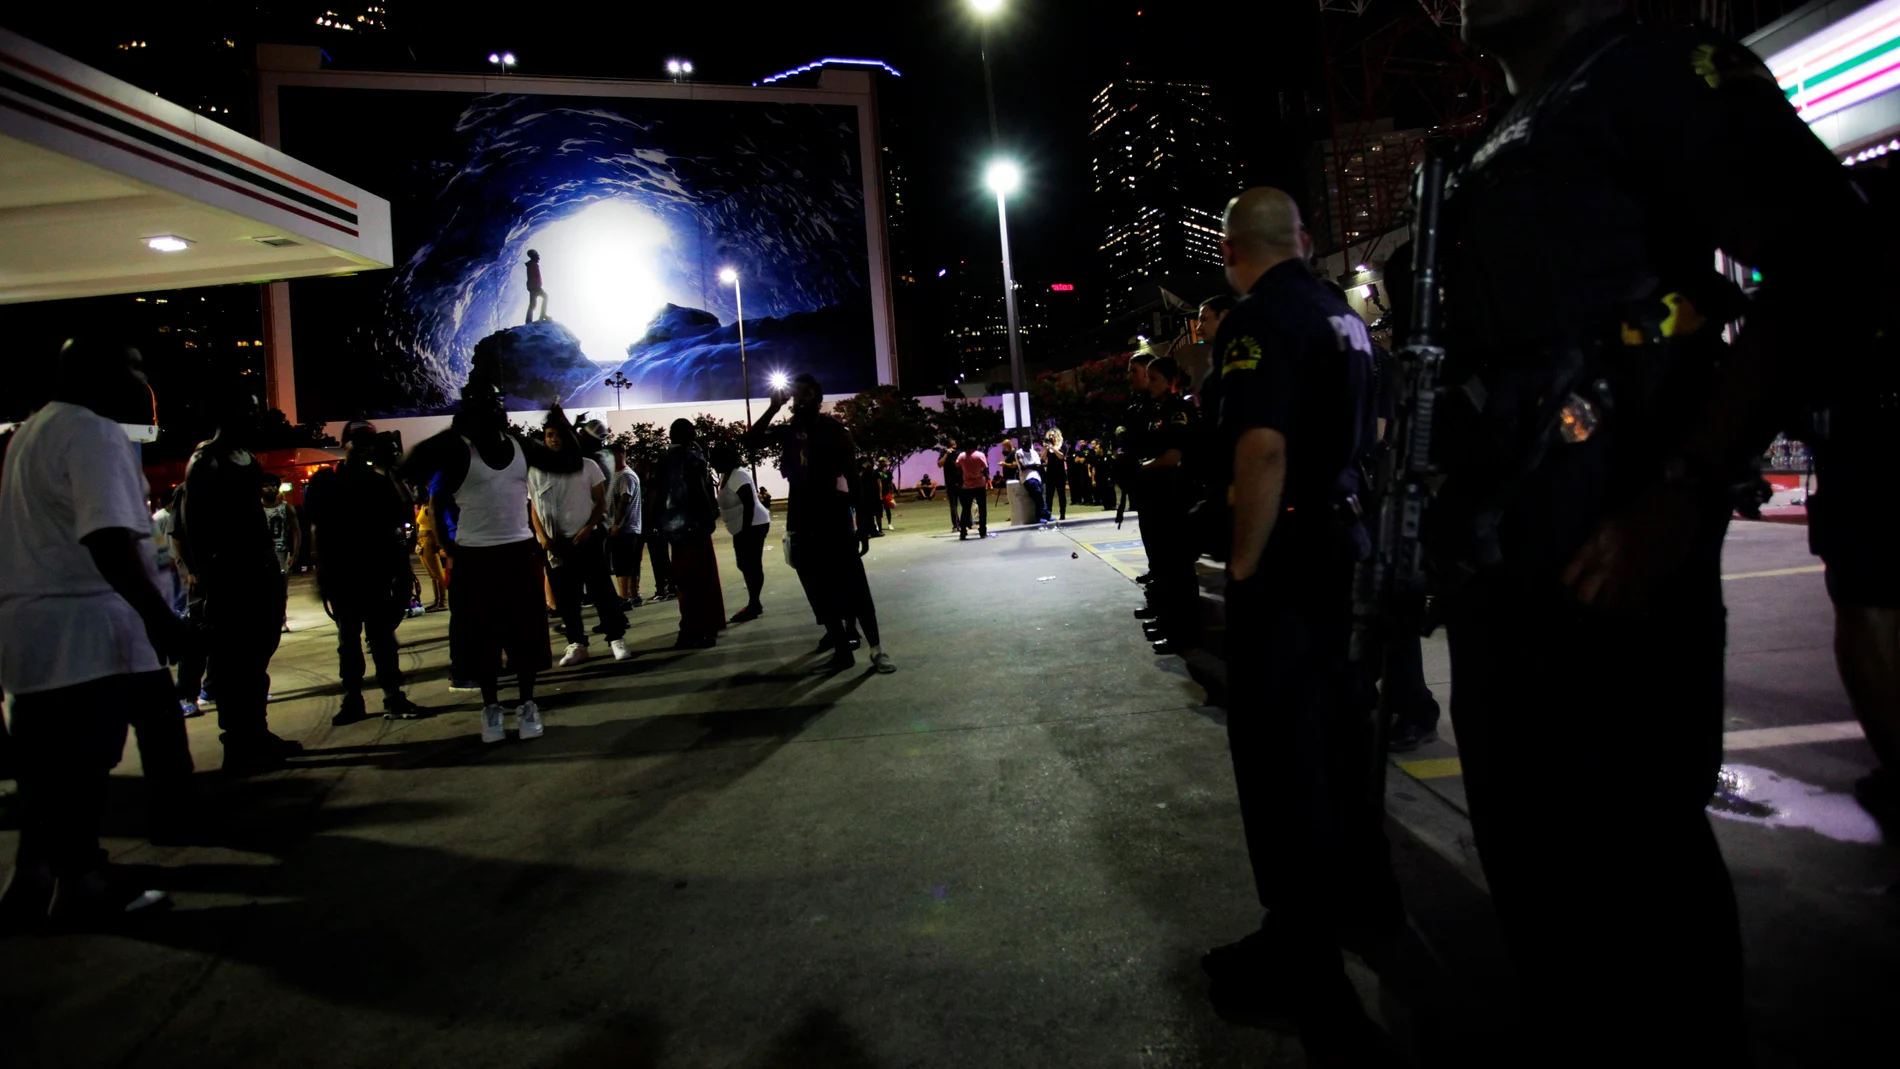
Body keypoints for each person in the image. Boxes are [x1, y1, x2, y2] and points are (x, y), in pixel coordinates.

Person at [1418, 2, 1871, 1059]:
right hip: (1502, 574)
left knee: (1640, 895)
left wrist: (1684, 486)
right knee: (1539, 892)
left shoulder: (1650, 69)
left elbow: (1824, 246)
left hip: (1614, 563)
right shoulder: (1487, 139)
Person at [1201, 188, 1396, 1058]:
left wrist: (1243, 571)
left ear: (1232, 250)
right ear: (1304, 240)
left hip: (1288, 563)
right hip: (1349, 546)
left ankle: (1302, 952)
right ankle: (1363, 904)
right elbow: (1379, 425)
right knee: (1341, 741)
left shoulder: (1256, 320)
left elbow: (1263, 447)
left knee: (1282, 758)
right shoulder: (1339, 316)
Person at [0, 339, 188, 925]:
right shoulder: (95, 433)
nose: (142, 382)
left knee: (44, 768)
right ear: (100, 377)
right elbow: (107, 538)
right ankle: (81, 882)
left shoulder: (31, 432)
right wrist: (165, 622)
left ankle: (31, 879)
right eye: (134, 369)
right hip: (85, 630)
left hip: (32, 632)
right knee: (82, 768)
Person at [398, 377, 583, 743]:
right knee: (481, 637)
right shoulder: (456, 450)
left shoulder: (520, 446)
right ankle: (491, 707)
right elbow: (411, 468)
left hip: (517, 552)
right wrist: (449, 550)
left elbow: (570, 462)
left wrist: (559, 420)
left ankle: (528, 704)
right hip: (474, 557)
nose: (492, 413)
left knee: (526, 634)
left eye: (495, 406)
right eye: (482, 407)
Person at [179, 382, 299, 771]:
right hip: (230, 572)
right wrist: (205, 576)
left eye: (256, 410)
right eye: (247, 410)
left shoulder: (246, 455)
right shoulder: (207, 460)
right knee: (234, 662)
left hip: (260, 567)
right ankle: (238, 745)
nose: (254, 416)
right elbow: (193, 524)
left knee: (257, 655)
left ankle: (256, 733)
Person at [744, 374, 896, 673]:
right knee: (817, 588)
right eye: (796, 393)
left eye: (806, 392)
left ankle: (877, 650)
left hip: (834, 516)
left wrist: (862, 523)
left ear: (817, 397)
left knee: (855, 586)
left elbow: (853, 479)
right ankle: (841, 646)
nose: (799, 398)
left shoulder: (835, 430)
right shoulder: (790, 431)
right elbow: (750, 443)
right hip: (801, 518)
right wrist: (773, 407)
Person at [304, 422, 425, 724]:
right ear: (344, 444)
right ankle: (353, 699)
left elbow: (403, 515)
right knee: (349, 642)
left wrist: (392, 470)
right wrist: (321, 575)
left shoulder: (379, 481)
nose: (363, 450)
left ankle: (392, 697)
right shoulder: (325, 482)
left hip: (376, 574)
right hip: (343, 574)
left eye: (368, 445)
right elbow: (316, 528)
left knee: (383, 640)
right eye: (357, 443)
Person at [528, 418, 631, 667]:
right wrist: (543, 538)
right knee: (566, 598)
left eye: (558, 434)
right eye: (549, 435)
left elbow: (601, 503)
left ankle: (616, 638)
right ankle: (577, 643)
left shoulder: (587, 466)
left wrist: (588, 529)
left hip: (586, 539)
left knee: (601, 591)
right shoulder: (535, 471)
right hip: (555, 544)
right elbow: (533, 508)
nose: (553, 439)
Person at [1136, 357, 1199, 655]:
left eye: (1154, 379)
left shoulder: (1179, 411)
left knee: (1178, 568)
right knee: (1164, 566)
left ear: (1171, 380)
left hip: (1176, 498)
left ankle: (1183, 632)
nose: (1149, 384)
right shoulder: (1158, 411)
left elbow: (1172, 457)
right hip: (1160, 498)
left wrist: (1144, 467)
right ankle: (1169, 622)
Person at [655, 419, 725, 649]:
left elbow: (658, 494)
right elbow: (699, 490)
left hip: (675, 528)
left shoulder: (664, 459)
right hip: (694, 526)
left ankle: (690, 628)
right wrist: (709, 517)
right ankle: (704, 628)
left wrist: (659, 523)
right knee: (701, 579)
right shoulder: (692, 457)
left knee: (685, 581)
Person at [714, 442, 770, 623]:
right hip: (743, 527)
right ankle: (755, 603)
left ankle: (754, 604)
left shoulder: (738, 475)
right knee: (745, 564)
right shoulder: (726, 475)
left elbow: (749, 504)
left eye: (715, 460)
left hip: (753, 525)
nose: (713, 464)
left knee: (751, 564)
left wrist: (744, 533)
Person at [605, 442, 644, 608]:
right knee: (631, 563)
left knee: (622, 564)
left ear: (621, 454)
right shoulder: (618, 475)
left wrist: (616, 524)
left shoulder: (625, 476)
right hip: (630, 527)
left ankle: (624, 597)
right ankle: (634, 595)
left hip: (625, 528)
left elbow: (624, 501)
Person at [414, 489, 448, 611]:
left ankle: (443, 602)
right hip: (423, 540)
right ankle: (437, 601)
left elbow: (437, 524)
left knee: (438, 573)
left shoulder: (430, 507)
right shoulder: (423, 506)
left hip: (430, 539)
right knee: (432, 575)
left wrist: (440, 545)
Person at [955, 444, 990, 541]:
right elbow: (985, 467)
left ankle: (963, 532)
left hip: (967, 486)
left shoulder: (962, 456)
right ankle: (982, 531)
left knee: (965, 509)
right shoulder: (979, 455)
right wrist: (987, 477)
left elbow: (957, 465)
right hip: (979, 484)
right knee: (982, 509)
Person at [1019, 438, 1049, 528]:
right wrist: (1032, 465)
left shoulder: (1034, 453)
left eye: (1026, 444)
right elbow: (1023, 467)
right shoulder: (1019, 453)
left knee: (1039, 495)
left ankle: (1044, 515)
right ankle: (1043, 514)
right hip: (1027, 477)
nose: (1025, 446)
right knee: (1038, 493)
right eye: (1023, 444)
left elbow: (1038, 465)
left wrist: (1030, 465)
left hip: (1037, 476)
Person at [939, 438, 964, 531]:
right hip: (950, 483)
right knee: (953, 506)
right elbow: (939, 464)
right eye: (951, 445)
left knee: (965, 504)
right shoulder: (944, 454)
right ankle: (955, 525)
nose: (953, 447)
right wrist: (946, 455)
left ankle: (964, 523)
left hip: (961, 481)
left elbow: (961, 464)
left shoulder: (960, 453)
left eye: (954, 444)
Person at [1042, 431, 1069, 521]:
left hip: (1060, 473)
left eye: (1052, 436)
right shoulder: (1048, 447)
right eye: (1049, 436)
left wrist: (1053, 448)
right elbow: (1042, 458)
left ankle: (1062, 514)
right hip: (1050, 473)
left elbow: (1061, 456)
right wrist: (1046, 448)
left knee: (1061, 494)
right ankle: (1048, 514)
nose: (1051, 437)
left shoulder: (1062, 445)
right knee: (1049, 495)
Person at [524, 249, 548, 324]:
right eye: (536, 254)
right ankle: (542, 314)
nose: (538, 255)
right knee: (545, 297)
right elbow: (532, 276)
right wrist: (535, 286)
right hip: (535, 287)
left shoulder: (532, 264)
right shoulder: (533, 264)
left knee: (533, 304)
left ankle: (529, 320)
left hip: (533, 287)